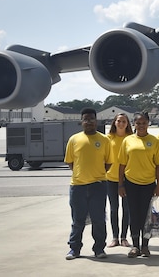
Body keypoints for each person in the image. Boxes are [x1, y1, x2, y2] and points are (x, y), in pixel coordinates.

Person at [64, 108, 112, 260]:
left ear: (96, 121)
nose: (89, 122)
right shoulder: (74, 140)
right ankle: (74, 249)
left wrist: (96, 174)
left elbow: (109, 163)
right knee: (78, 220)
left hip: (98, 185)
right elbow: (70, 162)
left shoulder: (104, 140)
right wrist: (82, 175)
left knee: (98, 219)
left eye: (91, 119)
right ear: (81, 121)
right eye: (86, 119)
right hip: (78, 186)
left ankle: (99, 249)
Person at [118, 112, 159, 258]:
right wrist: (120, 185)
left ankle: (145, 245)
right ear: (134, 124)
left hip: (149, 184)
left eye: (144, 123)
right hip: (131, 183)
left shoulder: (155, 141)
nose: (141, 126)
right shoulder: (128, 141)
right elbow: (121, 165)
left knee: (147, 216)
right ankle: (135, 246)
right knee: (134, 215)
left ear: (148, 123)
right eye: (138, 123)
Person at [105, 113, 132, 248]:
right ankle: (115, 237)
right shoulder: (108, 138)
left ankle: (124, 237)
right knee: (114, 208)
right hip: (110, 179)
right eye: (119, 121)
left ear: (127, 124)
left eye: (124, 121)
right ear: (114, 123)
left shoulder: (131, 138)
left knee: (126, 209)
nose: (121, 123)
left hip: (127, 179)